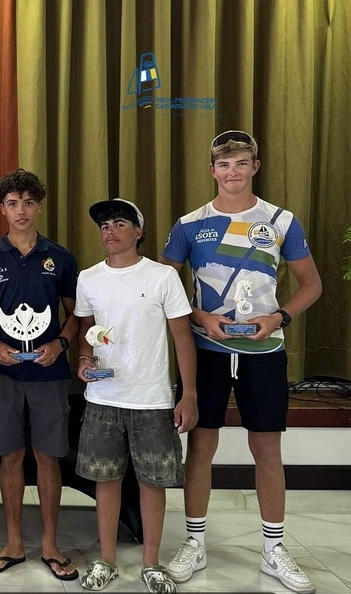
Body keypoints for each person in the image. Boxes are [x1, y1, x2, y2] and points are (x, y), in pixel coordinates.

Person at [161, 131, 322, 594]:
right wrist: (200, 317)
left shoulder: (280, 221)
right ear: (212, 170)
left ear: (255, 166)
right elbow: (163, 288)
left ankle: (274, 548)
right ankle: (195, 542)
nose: (232, 172)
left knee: (267, 450)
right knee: (201, 447)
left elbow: (312, 284)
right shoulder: (189, 224)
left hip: (263, 354)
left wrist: (278, 317)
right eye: (224, 164)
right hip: (206, 353)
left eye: (241, 163)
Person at [73, 198, 198, 593]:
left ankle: (151, 563)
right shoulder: (88, 278)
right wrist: (84, 360)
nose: (110, 231)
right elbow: (86, 332)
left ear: (139, 232)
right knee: (106, 480)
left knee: (152, 482)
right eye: (104, 225)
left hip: (151, 399)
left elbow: (182, 337)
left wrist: (188, 394)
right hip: (103, 398)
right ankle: (106, 560)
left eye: (119, 223)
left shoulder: (162, 277)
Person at [0, 170, 79, 580]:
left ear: (39, 207)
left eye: (29, 203)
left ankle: (50, 544)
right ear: (2, 208)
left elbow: (77, 316)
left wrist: (61, 344)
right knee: (10, 456)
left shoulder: (61, 258)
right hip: (3, 374)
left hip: (50, 374)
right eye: (13, 203)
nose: (21, 211)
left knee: (48, 456)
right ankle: (13, 542)